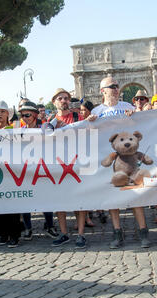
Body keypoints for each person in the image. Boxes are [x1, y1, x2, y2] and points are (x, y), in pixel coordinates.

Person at [89, 77, 150, 249]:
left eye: (117, 86)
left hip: (129, 160)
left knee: (135, 195)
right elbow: (92, 136)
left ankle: (143, 231)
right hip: (109, 161)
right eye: (112, 86)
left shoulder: (127, 107)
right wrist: (91, 124)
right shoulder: (96, 111)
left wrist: (135, 117)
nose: (116, 89)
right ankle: (117, 232)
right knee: (112, 198)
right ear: (103, 91)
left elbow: (142, 127)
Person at [50, 88, 87, 249]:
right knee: (60, 202)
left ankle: (80, 234)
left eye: (66, 98)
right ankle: (64, 234)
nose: (64, 101)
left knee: (79, 201)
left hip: (77, 164)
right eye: (60, 98)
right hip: (58, 165)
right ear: (54, 102)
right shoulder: (50, 121)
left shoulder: (78, 117)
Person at [18, 101, 59, 240]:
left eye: (27, 115)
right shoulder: (18, 130)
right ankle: (28, 229)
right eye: (22, 115)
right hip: (25, 169)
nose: (24, 117)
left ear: (35, 114)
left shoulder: (44, 127)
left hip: (43, 168)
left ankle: (50, 226)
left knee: (45, 198)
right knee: (25, 199)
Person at [0, 101, 22, 247]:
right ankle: (2, 234)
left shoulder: (15, 128)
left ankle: (14, 234)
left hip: (12, 171)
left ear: (8, 114)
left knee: (12, 204)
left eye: (2, 111)